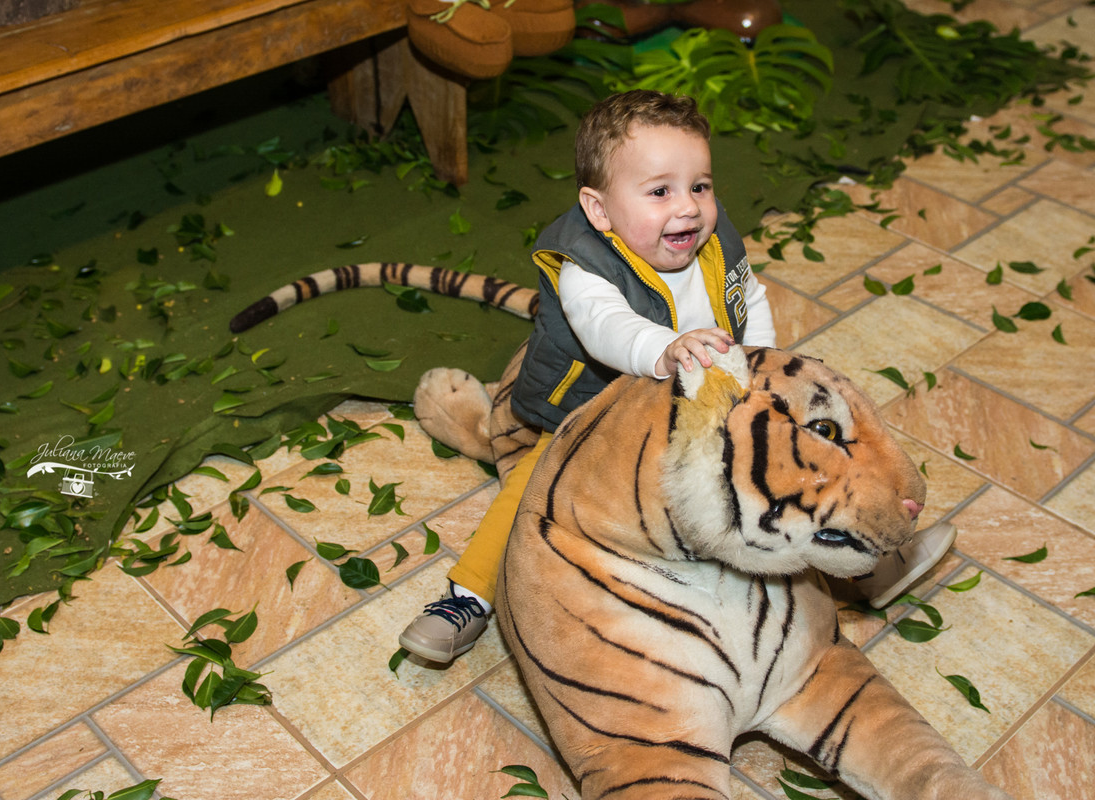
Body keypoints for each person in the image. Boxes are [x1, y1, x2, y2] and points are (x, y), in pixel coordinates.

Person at [398, 90, 955, 663]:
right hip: (586, 414)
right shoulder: (583, 266)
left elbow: (750, 296)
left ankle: (870, 561)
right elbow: (606, 327)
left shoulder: (714, 241)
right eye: (660, 191)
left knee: (784, 477)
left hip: (696, 405)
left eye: (700, 186)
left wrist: (760, 364)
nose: (688, 207)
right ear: (599, 210)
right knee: (530, 495)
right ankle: (466, 597)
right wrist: (663, 350)